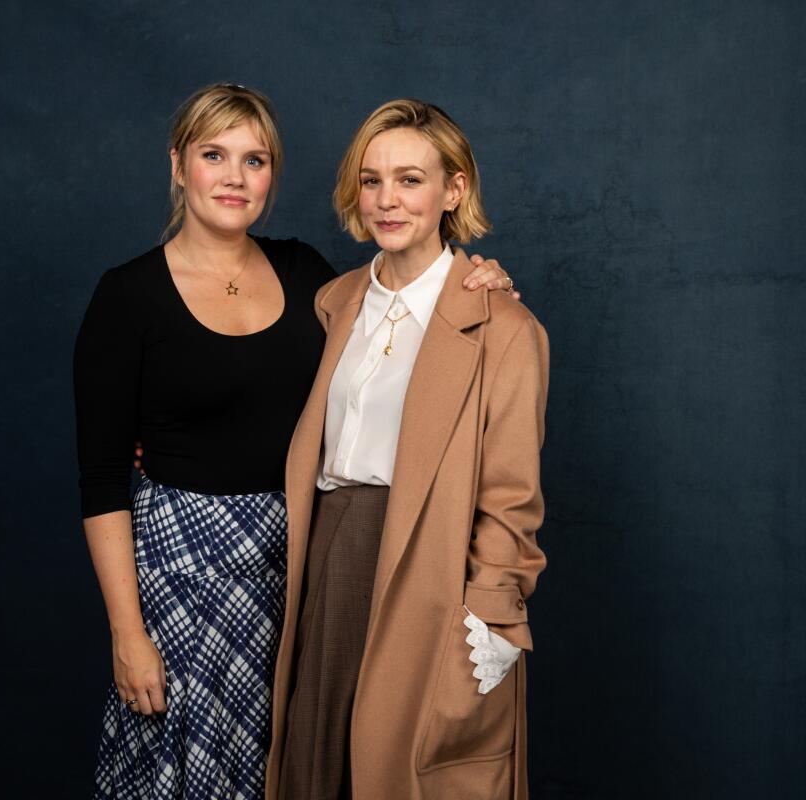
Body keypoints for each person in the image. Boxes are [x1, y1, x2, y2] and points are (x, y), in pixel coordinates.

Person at [73, 84, 516, 800]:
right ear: (179, 163)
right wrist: (128, 633)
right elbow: (100, 481)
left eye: (255, 160)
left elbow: (398, 317)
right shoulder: (126, 297)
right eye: (214, 155)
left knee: (289, 763)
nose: (233, 177)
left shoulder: (310, 277)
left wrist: (475, 281)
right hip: (181, 573)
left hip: (295, 561)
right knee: (181, 769)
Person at [267, 99, 548, 800]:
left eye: (410, 180)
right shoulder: (331, 302)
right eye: (371, 180)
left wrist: (493, 613)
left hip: (429, 569)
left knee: (403, 772)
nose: (387, 201)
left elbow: (511, 494)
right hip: (327, 560)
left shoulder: (503, 325)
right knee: (317, 764)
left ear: (454, 190)